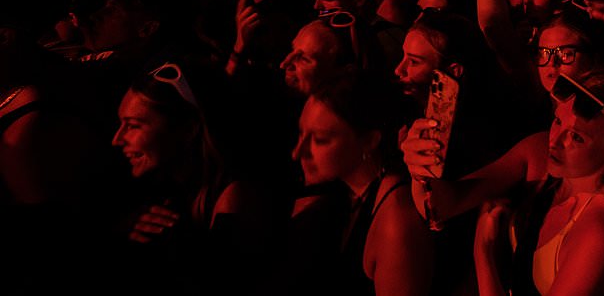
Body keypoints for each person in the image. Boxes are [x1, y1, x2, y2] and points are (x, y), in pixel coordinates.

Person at [402, 66, 604, 296]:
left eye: (576, 137)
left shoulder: (598, 229)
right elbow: (441, 206)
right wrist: (420, 167)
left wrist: (483, 252)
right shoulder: (539, 154)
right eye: (558, 121)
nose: (555, 141)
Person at [110, 63, 280, 295]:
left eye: (133, 126)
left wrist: (182, 248)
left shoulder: (237, 196)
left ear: (188, 128)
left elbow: (230, 290)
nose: (117, 139)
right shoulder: (161, 191)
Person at [287, 73, 432, 296]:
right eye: (301, 134)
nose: (298, 153)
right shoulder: (345, 196)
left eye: (320, 139)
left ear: (369, 141)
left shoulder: (395, 225)